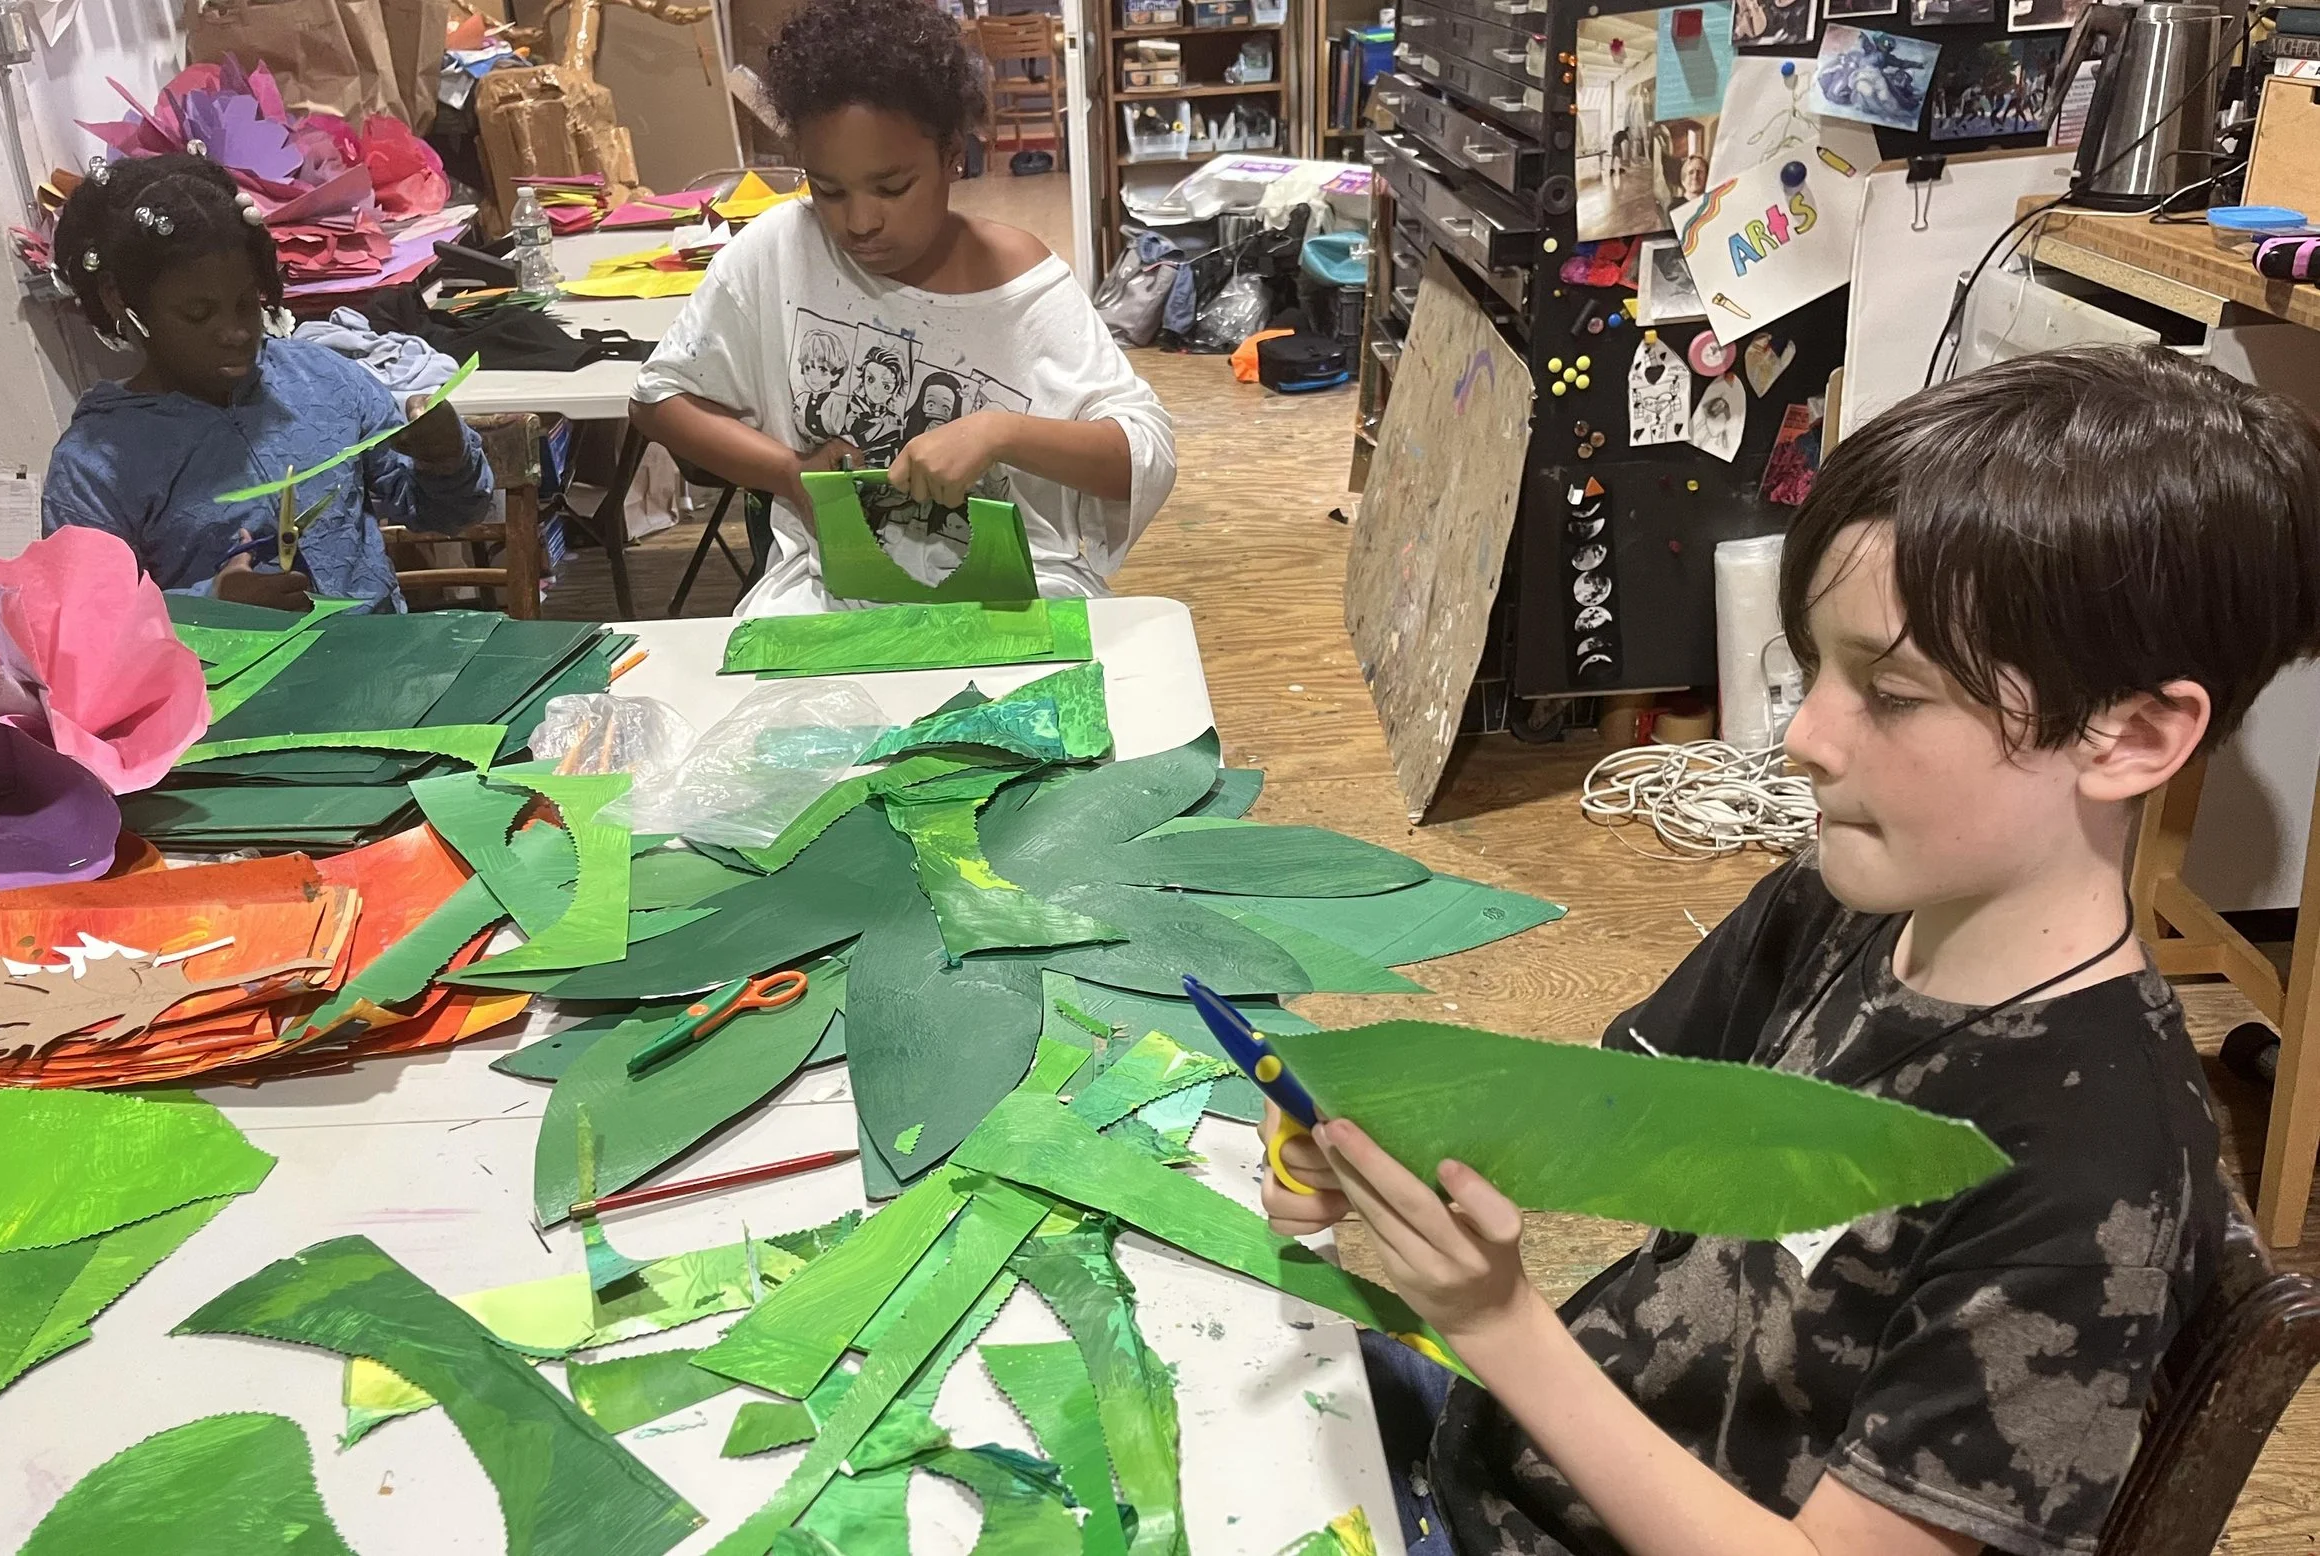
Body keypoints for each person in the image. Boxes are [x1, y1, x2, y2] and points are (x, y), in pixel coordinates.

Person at [1268, 346, 2320, 1556]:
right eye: (1815, 665)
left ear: (2129, 735)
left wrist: (1501, 1325)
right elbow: (1610, 1130)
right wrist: (1383, 1147)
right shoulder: (1833, 903)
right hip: (1513, 1451)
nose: (1804, 736)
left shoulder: (2094, 1175)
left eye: (1893, 691)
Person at [629, 0, 1175, 614]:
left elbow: (1141, 456)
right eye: (828, 190)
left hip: (1018, 592)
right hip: (833, 590)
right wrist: (790, 472)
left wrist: (999, 433)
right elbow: (658, 399)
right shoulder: (779, 250)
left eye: (892, 188)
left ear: (951, 155)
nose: (860, 222)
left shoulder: (1019, 284)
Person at [42, 153, 492, 611]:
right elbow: (86, 622)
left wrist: (446, 459)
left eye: (246, 304)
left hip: (385, 651)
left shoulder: (323, 380)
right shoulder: (94, 466)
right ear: (119, 299)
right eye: (198, 314)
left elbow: (450, 512)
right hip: (215, 662)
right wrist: (213, 605)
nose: (236, 332)